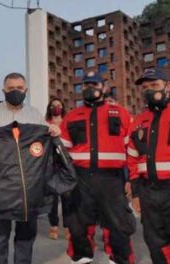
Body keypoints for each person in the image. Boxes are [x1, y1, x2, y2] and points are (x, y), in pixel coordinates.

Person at [0, 72, 61, 264]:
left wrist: (53, 131)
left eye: (19, 88)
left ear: (26, 90)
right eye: (11, 88)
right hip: (0, 187)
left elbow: (44, 143)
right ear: (3, 90)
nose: (15, 91)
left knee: (25, 239)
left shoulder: (34, 115)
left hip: (27, 189)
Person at [61, 71, 135, 264]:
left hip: (112, 180)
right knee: (78, 225)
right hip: (80, 179)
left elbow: (132, 151)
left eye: (95, 84)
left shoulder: (121, 114)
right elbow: (62, 153)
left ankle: (119, 260)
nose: (90, 88)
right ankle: (81, 258)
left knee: (118, 225)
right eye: (86, 85)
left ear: (104, 87)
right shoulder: (71, 117)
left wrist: (131, 180)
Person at [127, 68, 170, 263]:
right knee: (154, 242)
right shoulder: (138, 122)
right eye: (145, 88)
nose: (149, 90)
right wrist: (135, 193)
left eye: (155, 85)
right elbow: (133, 159)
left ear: (167, 87)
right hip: (148, 192)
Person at [45, 98, 70, 240]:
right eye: (53, 105)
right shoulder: (45, 124)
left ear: (63, 107)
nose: (56, 107)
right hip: (51, 165)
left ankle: (67, 227)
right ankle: (53, 226)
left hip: (66, 164)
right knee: (52, 198)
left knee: (67, 198)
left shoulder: (68, 122)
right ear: (49, 108)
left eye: (59, 105)